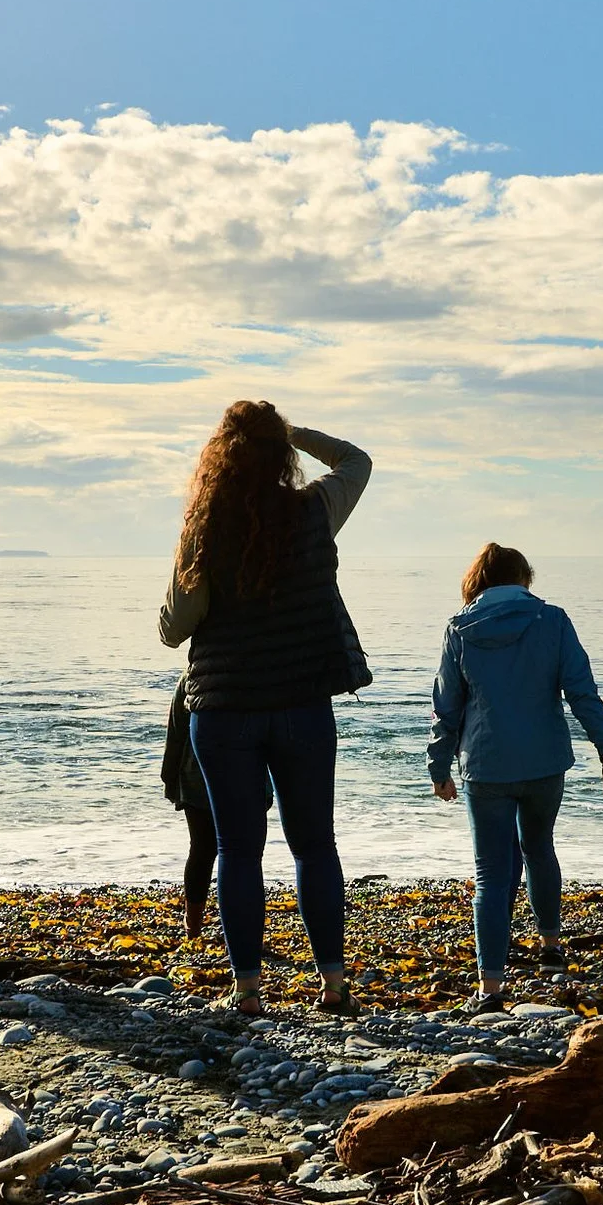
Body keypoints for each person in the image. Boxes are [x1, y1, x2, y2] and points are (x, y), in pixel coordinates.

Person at [157, 401, 372, 1016]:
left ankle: (247, 990)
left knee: (238, 849)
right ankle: (332, 983)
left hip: (224, 709)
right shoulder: (314, 511)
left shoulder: (203, 529)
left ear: (219, 458)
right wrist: (293, 433)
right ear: (283, 457)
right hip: (302, 703)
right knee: (314, 846)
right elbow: (357, 460)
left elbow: (176, 628)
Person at [424, 543, 603, 1010]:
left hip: (486, 765)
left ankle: (490, 987)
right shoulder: (551, 621)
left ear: (477, 581)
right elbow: (582, 692)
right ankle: (551, 948)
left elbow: (445, 707)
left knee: (492, 874)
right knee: (539, 848)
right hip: (544, 763)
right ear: (524, 577)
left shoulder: (460, 628)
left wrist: (438, 766)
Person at [158, 680, 218, 941]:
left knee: (202, 850)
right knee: (244, 854)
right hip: (246, 778)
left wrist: (169, 779)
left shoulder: (192, 676)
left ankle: (192, 926)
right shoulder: (256, 670)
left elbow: (176, 731)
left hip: (196, 775)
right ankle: (242, 927)